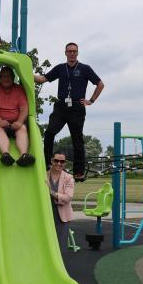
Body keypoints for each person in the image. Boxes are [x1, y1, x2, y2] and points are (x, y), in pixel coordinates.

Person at [35, 42, 104, 182]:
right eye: (69, 51)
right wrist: (23, 71)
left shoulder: (85, 68)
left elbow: (100, 84)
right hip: (61, 107)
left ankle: (79, 172)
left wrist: (91, 100)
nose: (72, 53)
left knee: (77, 139)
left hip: (77, 107)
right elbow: (42, 79)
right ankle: (47, 164)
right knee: (49, 133)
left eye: (74, 51)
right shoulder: (60, 68)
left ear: (77, 53)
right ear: (65, 53)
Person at [0, 66, 34, 166]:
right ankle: (5, 154)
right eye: (4, 76)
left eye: (9, 76)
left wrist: (19, 122)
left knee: (22, 128)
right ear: (0, 78)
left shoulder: (19, 89)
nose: (6, 78)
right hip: (1, 122)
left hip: (16, 122)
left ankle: (24, 155)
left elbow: (24, 108)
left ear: (13, 77)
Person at [47, 152, 74, 250]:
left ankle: (60, 265)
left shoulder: (68, 178)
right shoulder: (44, 175)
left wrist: (51, 193)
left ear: (65, 163)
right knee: (46, 244)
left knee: (60, 246)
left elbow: (68, 197)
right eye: (56, 161)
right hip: (46, 215)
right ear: (51, 161)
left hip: (62, 217)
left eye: (62, 161)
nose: (59, 163)